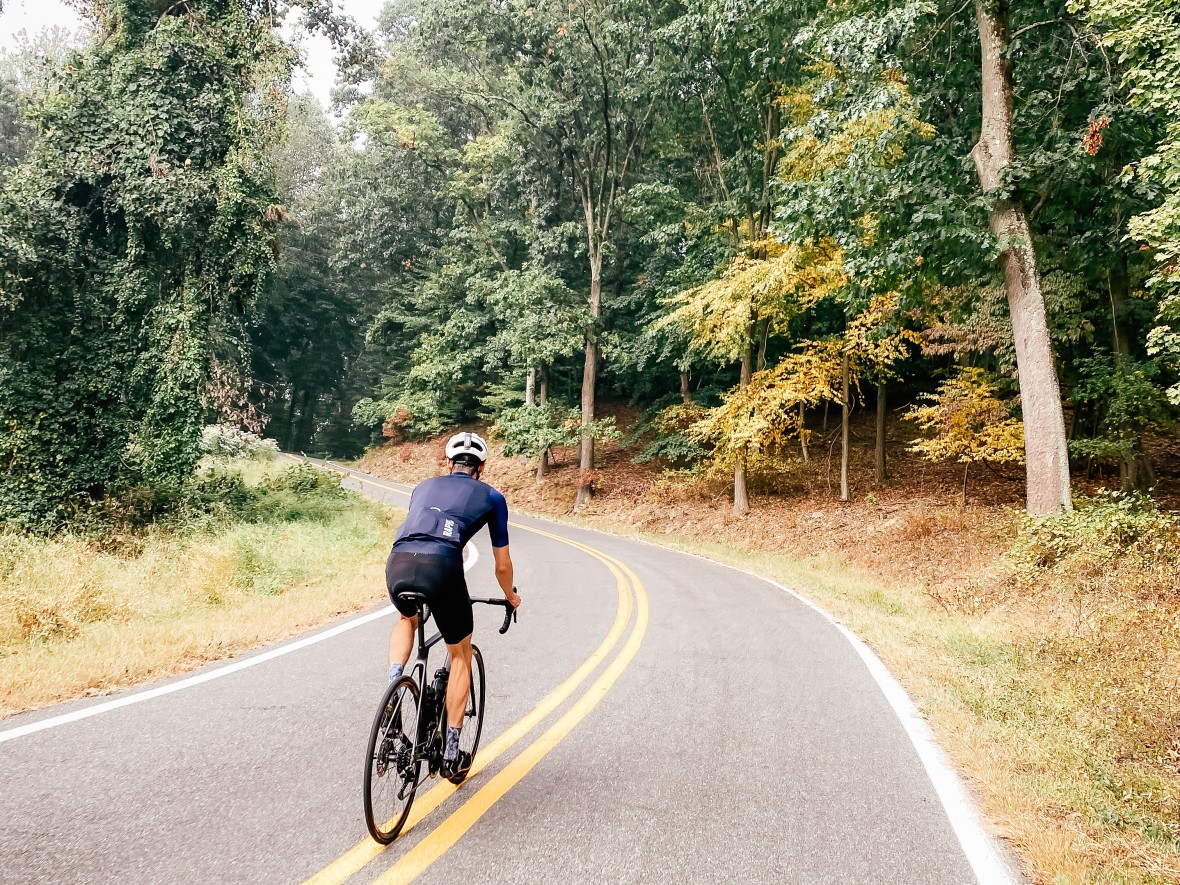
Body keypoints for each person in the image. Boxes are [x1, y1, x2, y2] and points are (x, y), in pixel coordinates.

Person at [384, 431, 520, 780]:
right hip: (441, 566)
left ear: (448, 463)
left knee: (407, 618)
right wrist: (511, 596)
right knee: (460, 653)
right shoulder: (492, 496)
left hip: (398, 561)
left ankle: (393, 689)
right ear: (482, 467)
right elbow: (502, 565)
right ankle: (450, 750)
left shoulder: (422, 487)